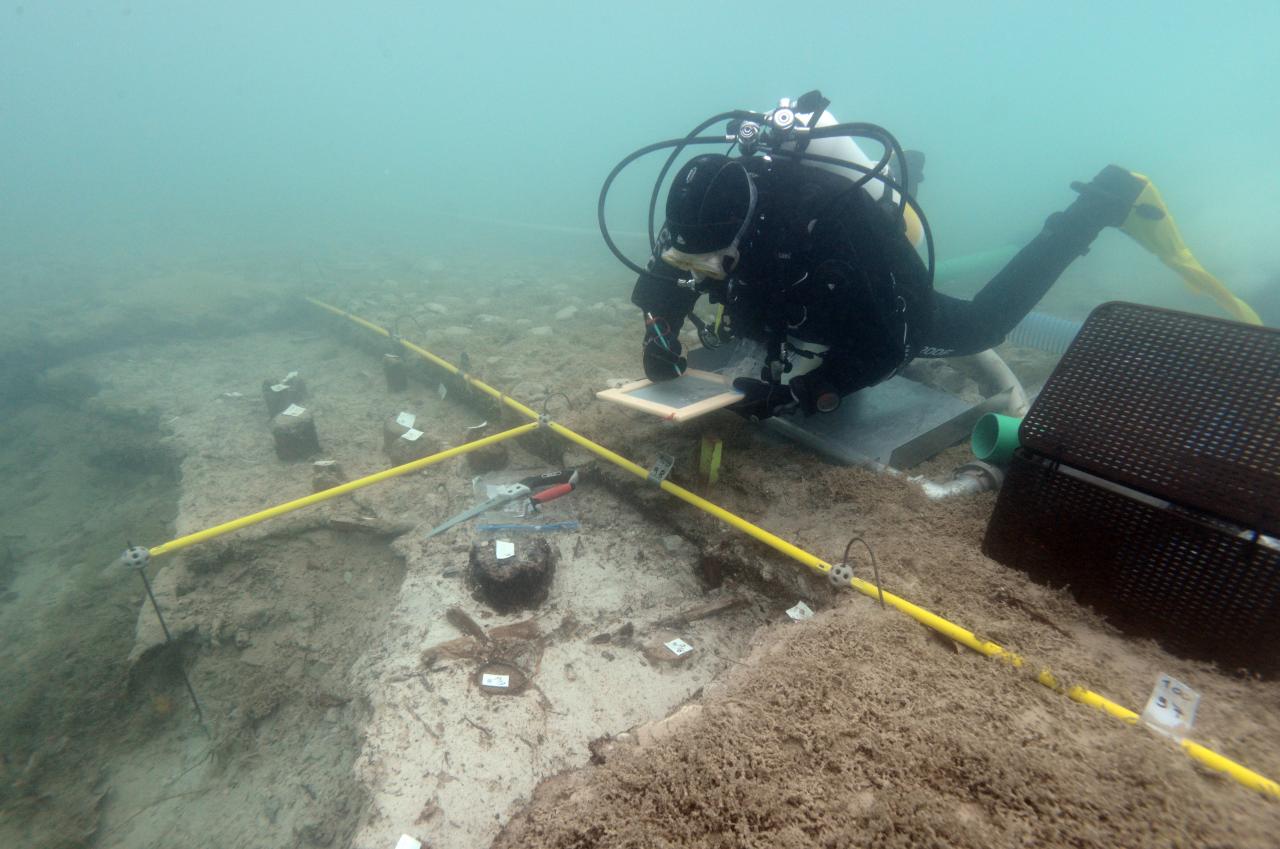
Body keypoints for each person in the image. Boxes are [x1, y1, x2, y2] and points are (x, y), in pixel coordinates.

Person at [630, 122, 1148, 420]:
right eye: (689, 258)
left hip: (864, 287)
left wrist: (800, 394)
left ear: (746, 230)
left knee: (981, 327)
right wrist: (660, 332)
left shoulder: (837, 227)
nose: (702, 273)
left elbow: (896, 343)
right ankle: (908, 176)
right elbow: (669, 271)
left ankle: (1094, 210)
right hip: (799, 290)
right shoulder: (705, 208)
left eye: (715, 261)